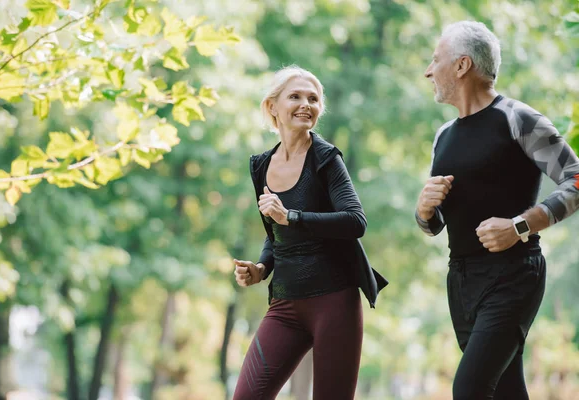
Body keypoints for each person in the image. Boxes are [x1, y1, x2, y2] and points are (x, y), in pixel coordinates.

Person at [416, 21, 579, 399]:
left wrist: (521, 225)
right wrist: (424, 211)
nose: (428, 70)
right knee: (505, 391)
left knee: (469, 389)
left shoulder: (518, 119)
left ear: (461, 65)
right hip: (461, 279)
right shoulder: (443, 136)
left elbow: (575, 178)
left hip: (513, 276)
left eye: (435, 59)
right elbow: (435, 225)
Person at [232, 65, 388, 400]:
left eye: (313, 98)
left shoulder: (325, 158)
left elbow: (355, 220)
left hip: (333, 302)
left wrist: (293, 215)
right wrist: (261, 268)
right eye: (296, 96)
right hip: (285, 305)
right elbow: (276, 232)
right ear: (272, 106)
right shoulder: (261, 165)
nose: (306, 104)